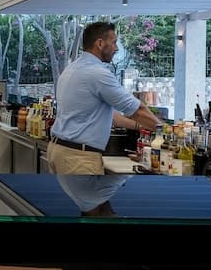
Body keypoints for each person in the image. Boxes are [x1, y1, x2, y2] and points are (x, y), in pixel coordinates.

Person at [49, 21, 160, 174]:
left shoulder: (72, 68)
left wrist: (139, 127)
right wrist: (166, 132)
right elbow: (137, 110)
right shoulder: (97, 73)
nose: (116, 48)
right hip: (79, 158)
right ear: (100, 43)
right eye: (114, 42)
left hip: (60, 150)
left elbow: (111, 116)